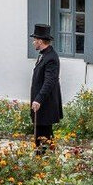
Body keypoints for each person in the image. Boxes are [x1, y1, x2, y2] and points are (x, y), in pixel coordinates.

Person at [29, 23, 62, 154]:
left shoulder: (51, 58)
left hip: (45, 103)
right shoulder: (44, 54)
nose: (33, 43)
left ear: (41, 41)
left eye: (35, 40)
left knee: (44, 134)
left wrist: (38, 99)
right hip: (42, 103)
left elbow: (49, 81)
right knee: (42, 133)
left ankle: (44, 158)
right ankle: (43, 158)